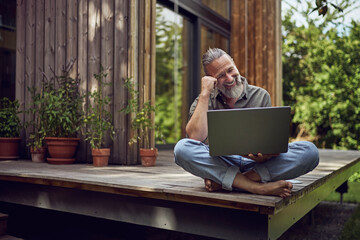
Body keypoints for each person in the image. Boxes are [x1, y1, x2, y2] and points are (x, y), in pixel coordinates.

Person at [174, 48, 319, 198]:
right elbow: (195, 139)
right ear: (211, 79)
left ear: (235, 64)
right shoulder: (203, 101)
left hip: (256, 165)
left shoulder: (261, 95)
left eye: (230, 70)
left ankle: (232, 181)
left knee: (309, 152)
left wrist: (266, 156)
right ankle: (257, 188)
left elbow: (267, 142)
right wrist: (205, 94)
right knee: (182, 149)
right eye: (221, 76)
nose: (230, 79)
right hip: (222, 162)